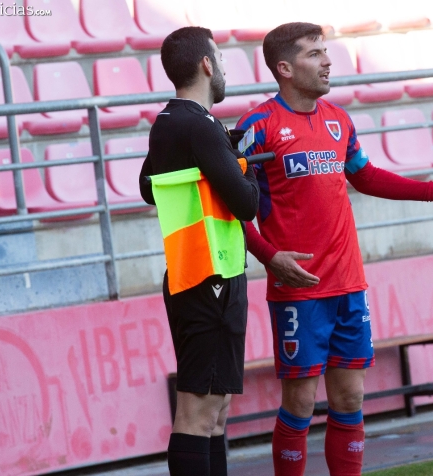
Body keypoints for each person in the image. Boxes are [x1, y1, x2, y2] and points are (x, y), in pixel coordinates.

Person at [237, 22, 433, 476]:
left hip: (348, 285)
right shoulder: (256, 126)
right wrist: (268, 256)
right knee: (300, 402)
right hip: (299, 289)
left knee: (350, 398)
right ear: (284, 67)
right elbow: (230, 206)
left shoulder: (339, 120)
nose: (327, 61)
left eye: (325, 51)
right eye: (314, 53)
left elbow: (366, 175)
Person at [139, 26, 259, 476]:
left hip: (194, 274)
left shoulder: (167, 121)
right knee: (197, 412)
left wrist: (216, 162)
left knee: (215, 412)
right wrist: (245, 167)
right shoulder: (201, 125)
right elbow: (247, 204)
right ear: (207, 64)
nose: (224, 67)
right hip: (211, 277)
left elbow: (148, 187)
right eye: (221, 59)